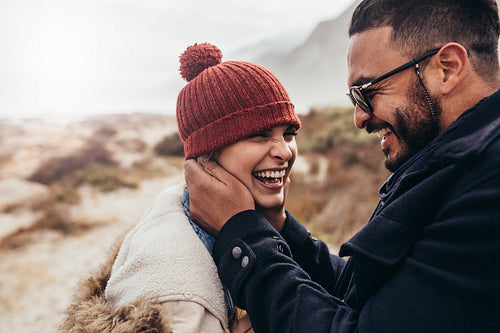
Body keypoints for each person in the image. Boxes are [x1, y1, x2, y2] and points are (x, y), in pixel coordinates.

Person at [184, 0, 500, 332]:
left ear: (446, 69)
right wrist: (280, 228)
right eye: (354, 98)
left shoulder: (488, 185)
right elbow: (365, 294)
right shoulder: (454, 165)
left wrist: (242, 234)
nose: (359, 117)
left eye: (368, 91)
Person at [59, 42, 300, 333]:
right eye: (259, 135)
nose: (285, 151)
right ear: (208, 155)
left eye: (288, 133)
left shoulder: (185, 208)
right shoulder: (182, 294)